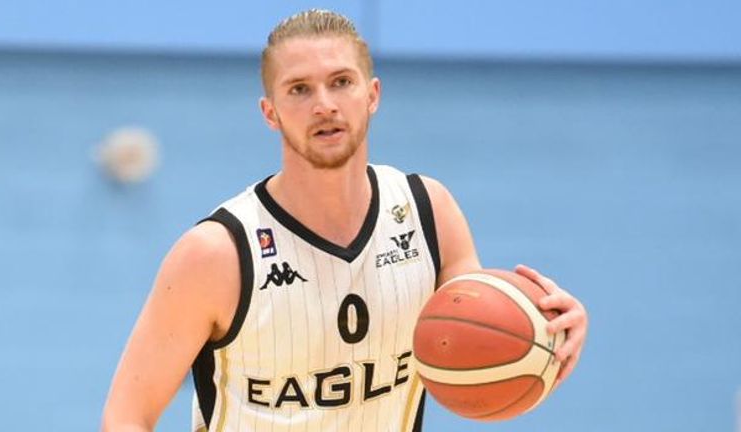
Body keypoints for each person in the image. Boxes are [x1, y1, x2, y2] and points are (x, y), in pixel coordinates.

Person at [101, 9, 588, 432]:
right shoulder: (217, 253)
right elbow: (126, 415)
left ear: (372, 94)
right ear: (270, 113)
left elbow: (476, 338)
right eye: (299, 89)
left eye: (341, 82)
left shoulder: (428, 212)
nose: (324, 104)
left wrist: (552, 332)